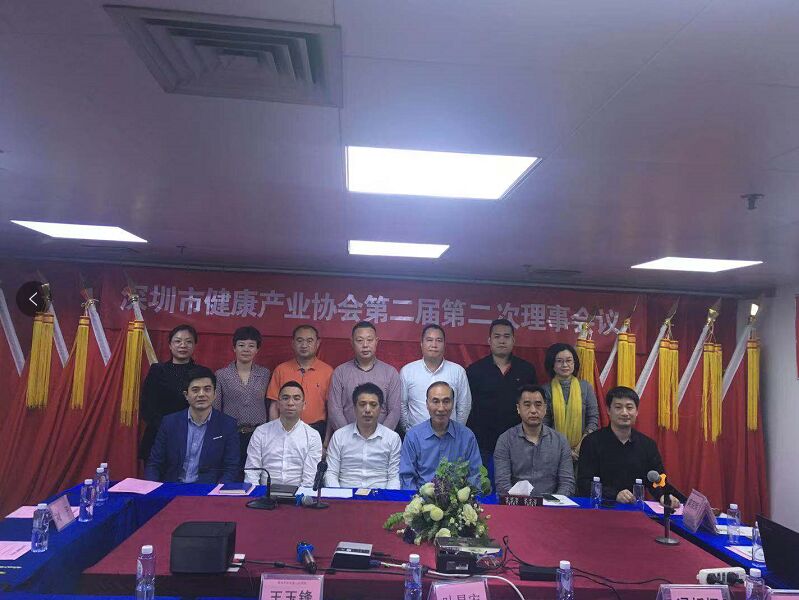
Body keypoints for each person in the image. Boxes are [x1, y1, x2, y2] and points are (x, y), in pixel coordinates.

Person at [577, 386, 681, 508]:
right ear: (608, 410)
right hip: (601, 508)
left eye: (629, 407)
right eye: (618, 407)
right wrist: (614, 494)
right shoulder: (591, 442)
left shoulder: (647, 445)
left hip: (635, 509)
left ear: (636, 411)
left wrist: (662, 495)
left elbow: (658, 480)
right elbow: (584, 483)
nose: (624, 413)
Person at [145, 366, 239, 483]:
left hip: (208, 490)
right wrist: (154, 488)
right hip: (173, 488)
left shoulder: (227, 425)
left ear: (215, 394)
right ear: (186, 395)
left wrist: (217, 491)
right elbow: (154, 463)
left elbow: (231, 468)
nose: (201, 394)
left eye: (207, 389)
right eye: (195, 390)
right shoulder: (170, 423)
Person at [466, 319, 538, 472]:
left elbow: (534, 406)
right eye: (497, 336)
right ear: (489, 340)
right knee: (484, 485)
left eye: (506, 336)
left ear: (513, 340)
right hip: (483, 444)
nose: (502, 341)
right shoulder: (475, 370)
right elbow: (466, 407)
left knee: (517, 486)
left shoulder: (526, 370)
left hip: (518, 443)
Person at [493, 384, 575, 496]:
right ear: (518, 408)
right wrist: (524, 503)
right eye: (527, 405)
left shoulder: (560, 441)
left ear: (545, 408)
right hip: (517, 504)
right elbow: (502, 484)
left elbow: (567, 483)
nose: (533, 410)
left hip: (552, 505)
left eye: (538, 405)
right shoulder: (505, 440)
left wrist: (554, 503)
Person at [400, 381, 482, 490]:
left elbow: (475, 476)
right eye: (435, 401)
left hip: (458, 499)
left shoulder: (467, 437)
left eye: (446, 401)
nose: (441, 408)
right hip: (421, 497)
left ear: (453, 403)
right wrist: (416, 498)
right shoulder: (413, 437)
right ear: (427, 404)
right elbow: (407, 478)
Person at [140, 324, 203, 463]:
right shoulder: (157, 370)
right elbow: (146, 407)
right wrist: (167, 428)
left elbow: (205, 407)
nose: (183, 345)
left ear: (194, 345)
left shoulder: (201, 373)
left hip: (191, 437)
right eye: (178, 341)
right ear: (170, 345)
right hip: (159, 436)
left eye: (188, 341)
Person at [213, 326, 270, 470]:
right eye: (241, 345)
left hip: (259, 434)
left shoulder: (265, 374)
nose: (246, 349)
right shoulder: (221, 375)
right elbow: (216, 407)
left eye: (251, 346)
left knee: (255, 472)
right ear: (234, 348)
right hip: (231, 434)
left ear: (257, 349)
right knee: (232, 472)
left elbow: (269, 404)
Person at [327, 321, 401, 432]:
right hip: (347, 438)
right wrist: (348, 436)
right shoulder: (340, 372)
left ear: (376, 341)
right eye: (360, 340)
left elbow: (394, 411)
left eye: (369, 340)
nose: (365, 345)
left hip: (382, 438)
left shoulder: (390, 373)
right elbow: (334, 410)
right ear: (352, 342)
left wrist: (382, 436)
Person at [244, 381, 322, 487]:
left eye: (296, 398)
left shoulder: (312, 436)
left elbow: (310, 479)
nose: (290, 403)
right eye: (285, 398)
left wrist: (300, 496)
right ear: (278, 404)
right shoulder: (261, 432)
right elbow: (251, 472)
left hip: (298, 494)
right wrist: (257, 494)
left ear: (304, 405)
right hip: (265, 493)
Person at [326, 383, 402, 489]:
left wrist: (387, 497)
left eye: (373, 405)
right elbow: (331, 473)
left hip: (380, 495)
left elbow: (394, 477)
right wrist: (339, 496)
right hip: (346, 493)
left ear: (380, 409)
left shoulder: (392, 438)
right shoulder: (339, 436)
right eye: (362, 404)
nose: (367, 410)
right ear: (354, 408)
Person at [267, 324, 333, 442]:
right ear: (292, 343)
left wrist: (326, 441)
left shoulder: (328, 372)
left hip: (317, 429)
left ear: (318, 343)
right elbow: (274, 406)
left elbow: (331, 409)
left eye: (309, 341)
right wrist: (274, 436)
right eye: (300, 340)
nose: (304, 345)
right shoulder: (281, 370)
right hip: (284, 430)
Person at [400, 324, 471, 431]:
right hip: (417, 436)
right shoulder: (407, 371)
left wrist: (456, 432)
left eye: (439, 340)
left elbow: (464, 406)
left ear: (444, 344)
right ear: (421, 344)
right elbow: (402, 405)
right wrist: (409, 431)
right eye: (429, 340)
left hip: (450, 436)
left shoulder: (458, 372)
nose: (434, 345)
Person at [542, 343, 599, 463]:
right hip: (553, 451)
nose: (565, 365)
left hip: (583, 450)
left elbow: (593, 419)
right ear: (552, 364)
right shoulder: (546, 390)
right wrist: (565, 450)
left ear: (574, 363)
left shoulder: (586, 387)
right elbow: (544, 424)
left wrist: (580, 447)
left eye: (568, 360)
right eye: (559, 361)